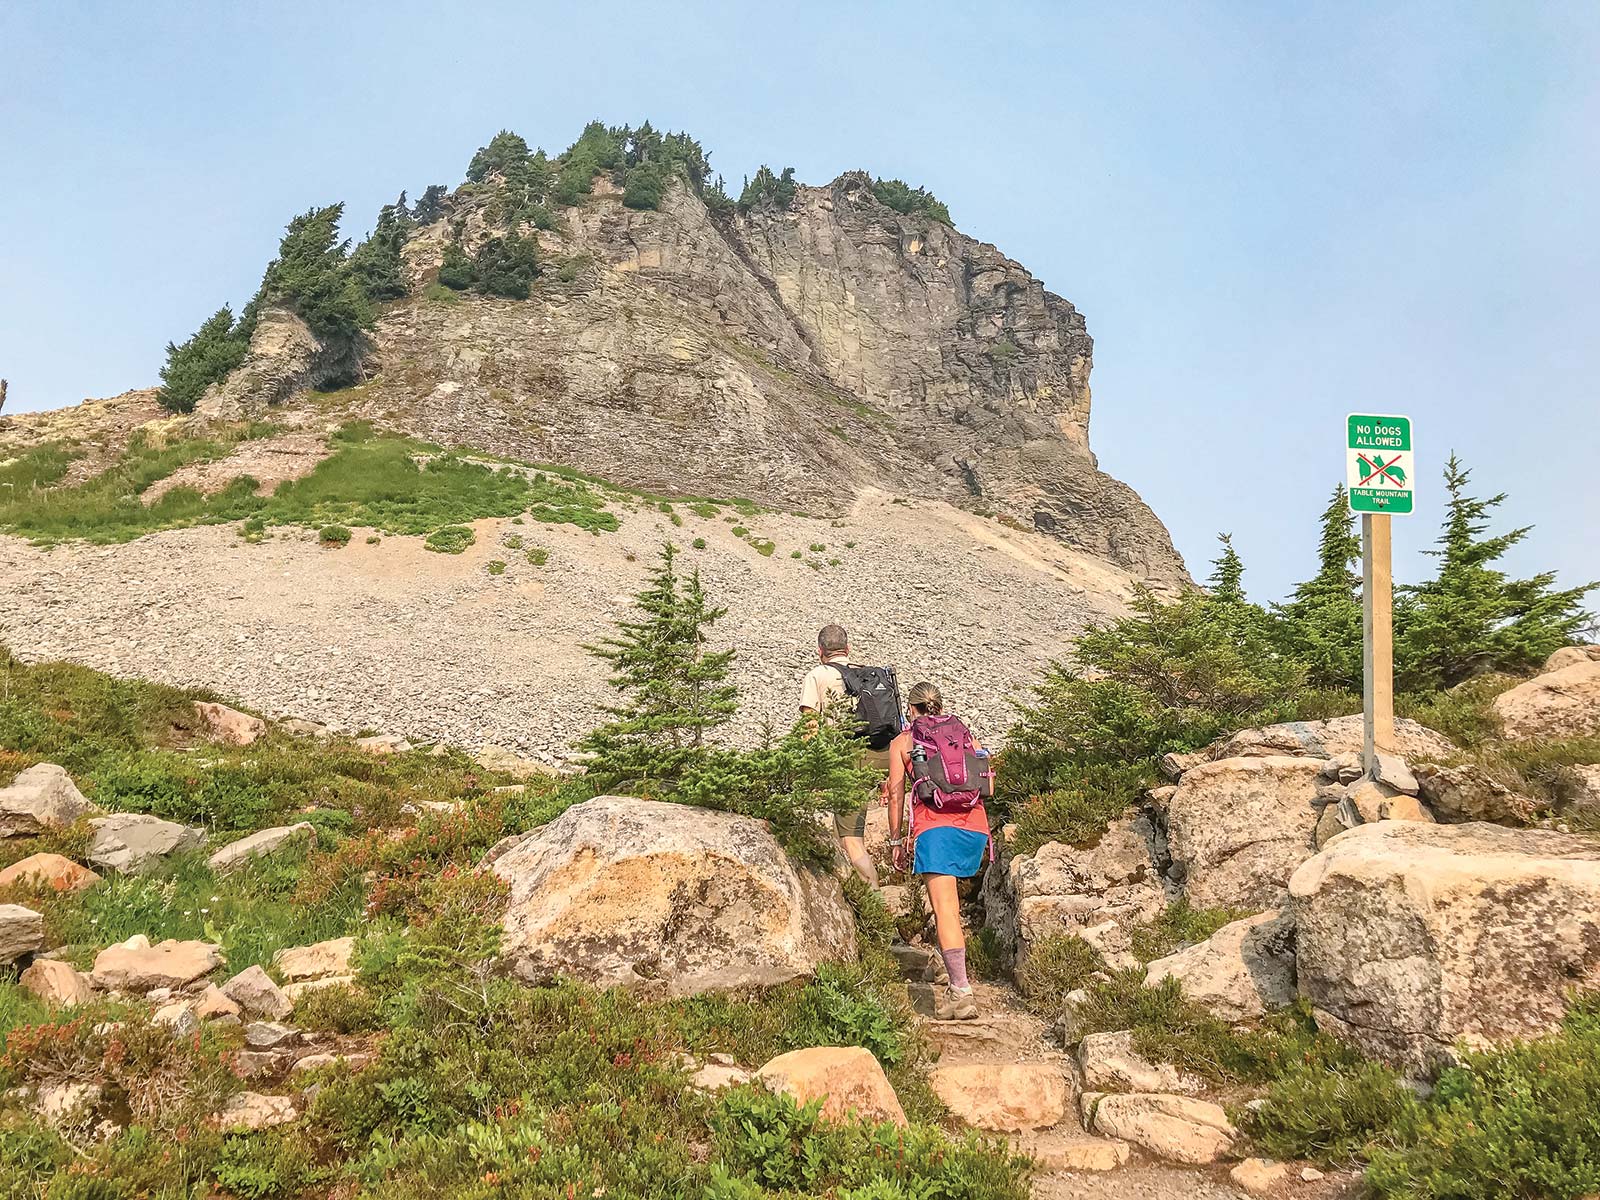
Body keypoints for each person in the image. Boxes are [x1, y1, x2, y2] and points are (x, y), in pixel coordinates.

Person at [887, 681, 992, 1020]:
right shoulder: (962, 733)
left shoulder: (903, 742)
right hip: (975, 828)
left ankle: (960, 992)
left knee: (945, 909)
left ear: (910, 710)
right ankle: (947, 968)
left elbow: (896, 796)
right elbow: (986, 777)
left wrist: (896, 841)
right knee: (950, 907)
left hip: (936, 828)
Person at [799, 623, 887, 887]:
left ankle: (876, 908)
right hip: (881, 756)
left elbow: (809, 728)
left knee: (852, 840)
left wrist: (810, 773)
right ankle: (857, 897)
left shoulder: (817, 675)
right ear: (847, 649)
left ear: (820, 651)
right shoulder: (867, 675)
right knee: (845, 834)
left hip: (848, 760)